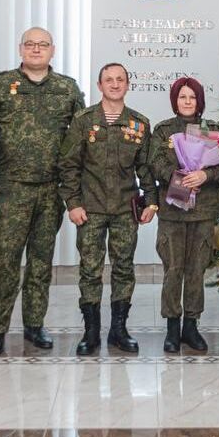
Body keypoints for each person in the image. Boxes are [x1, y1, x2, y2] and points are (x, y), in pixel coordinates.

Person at [0, 27, 84, 356]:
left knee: (40, 263)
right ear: (21, 49)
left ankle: (35, 324)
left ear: (53, 50)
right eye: (30, 44)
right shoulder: (0, 85)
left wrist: (74, 191)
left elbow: (80, 140)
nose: (36, 50)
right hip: (10, 190)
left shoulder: (67, 89)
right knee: (5, 262)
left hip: (51, 192)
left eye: (43, 45)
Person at [58, 63, 158, 354]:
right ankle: (90, 332)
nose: (114, 84)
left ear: (128, 85)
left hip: (125, 210)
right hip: (90, 209)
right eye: (108, 80)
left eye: (120, 80)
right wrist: (73, 203)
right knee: (90, 270)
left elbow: (146, 168)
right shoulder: (83, 120)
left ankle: (118, 330)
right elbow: (68, 165)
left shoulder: (139, 124)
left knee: (124, 269)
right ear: (100, 85)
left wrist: (151, 200)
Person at [150, 77, 219, 353]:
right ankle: (172, 326)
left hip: (203, 211)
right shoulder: (163, 131)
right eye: (182, 97)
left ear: (199, 101)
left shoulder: (211, 130)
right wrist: (180, 177)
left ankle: (191, 326)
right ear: (175, 100)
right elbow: (156, 163)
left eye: (192, 97)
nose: (187, 102)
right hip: (173, 212)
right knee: (173, 269)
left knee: (196, 270)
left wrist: (204, 174)